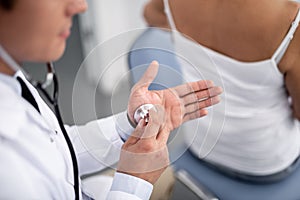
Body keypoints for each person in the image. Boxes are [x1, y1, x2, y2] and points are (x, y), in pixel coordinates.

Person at [0, 0, 223, 199]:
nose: (80, 6)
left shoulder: (11, 78)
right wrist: (133, 183)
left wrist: (129, 124)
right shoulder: (8, 172)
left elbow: (54, 150)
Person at [142, 0, 300, 199]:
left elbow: (151, 14)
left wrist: (191, 39)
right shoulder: (289, 19)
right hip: (266, 165)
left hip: (200, 144)